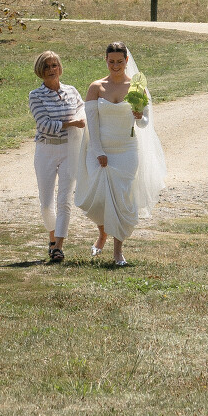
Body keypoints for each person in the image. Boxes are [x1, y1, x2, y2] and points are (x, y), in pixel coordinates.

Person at [73, 40, 165, 266]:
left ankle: (118, 250)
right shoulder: (96, 87)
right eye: (111, 61)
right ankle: (102, 233)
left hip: (126, 150)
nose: (115, 66)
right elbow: (92, 123)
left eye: (119, 62)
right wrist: (98, 151)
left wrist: (139, 116)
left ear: (126, 61)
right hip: (100, 148)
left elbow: (144, 123)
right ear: (105, 60)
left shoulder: (136, 87)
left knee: (122, 199)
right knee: (98, 198)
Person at [27, 50, 86, 264]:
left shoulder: (71, 91)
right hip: (46, 150)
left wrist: (80, 121)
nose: (51, 70)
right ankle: (52, 237)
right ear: (40, 71)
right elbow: (44, 125)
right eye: (47, 66)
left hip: (69, 149)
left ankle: (59, 246)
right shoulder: (36, 96)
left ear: (60, 68)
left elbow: (82, 112)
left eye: (54, 65)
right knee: (46, 203)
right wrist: (71, 124)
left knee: (65, 199)